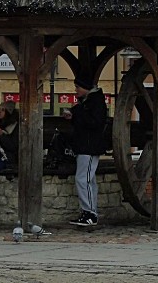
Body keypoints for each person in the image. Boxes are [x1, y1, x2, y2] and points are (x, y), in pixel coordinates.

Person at [63, 76, 107, 226]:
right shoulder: (88, 102)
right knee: (89, 179)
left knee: (82, 179)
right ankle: (89, 211)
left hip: (89, 146)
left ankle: (89, 212)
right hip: (85, 145)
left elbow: (94, 122)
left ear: (85, 88)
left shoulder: (94, 102)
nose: (76, 90)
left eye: (78, 87)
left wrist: (77, 113)